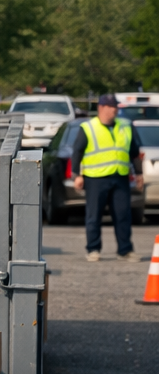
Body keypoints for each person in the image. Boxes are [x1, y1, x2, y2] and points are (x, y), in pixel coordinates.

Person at [72, 93, 143, 261]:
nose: (115, 110)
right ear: (101, 108)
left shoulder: (126, 126)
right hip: (95, 178)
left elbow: (134, 152)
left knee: (123, 214)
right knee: (94, 215)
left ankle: (125, 250)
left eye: (116, 107)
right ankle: (93, 249)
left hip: (120, 176)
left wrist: (138, 174)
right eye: (111, 107)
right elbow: (77, 152)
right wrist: (77, 175)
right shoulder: (88, 127)